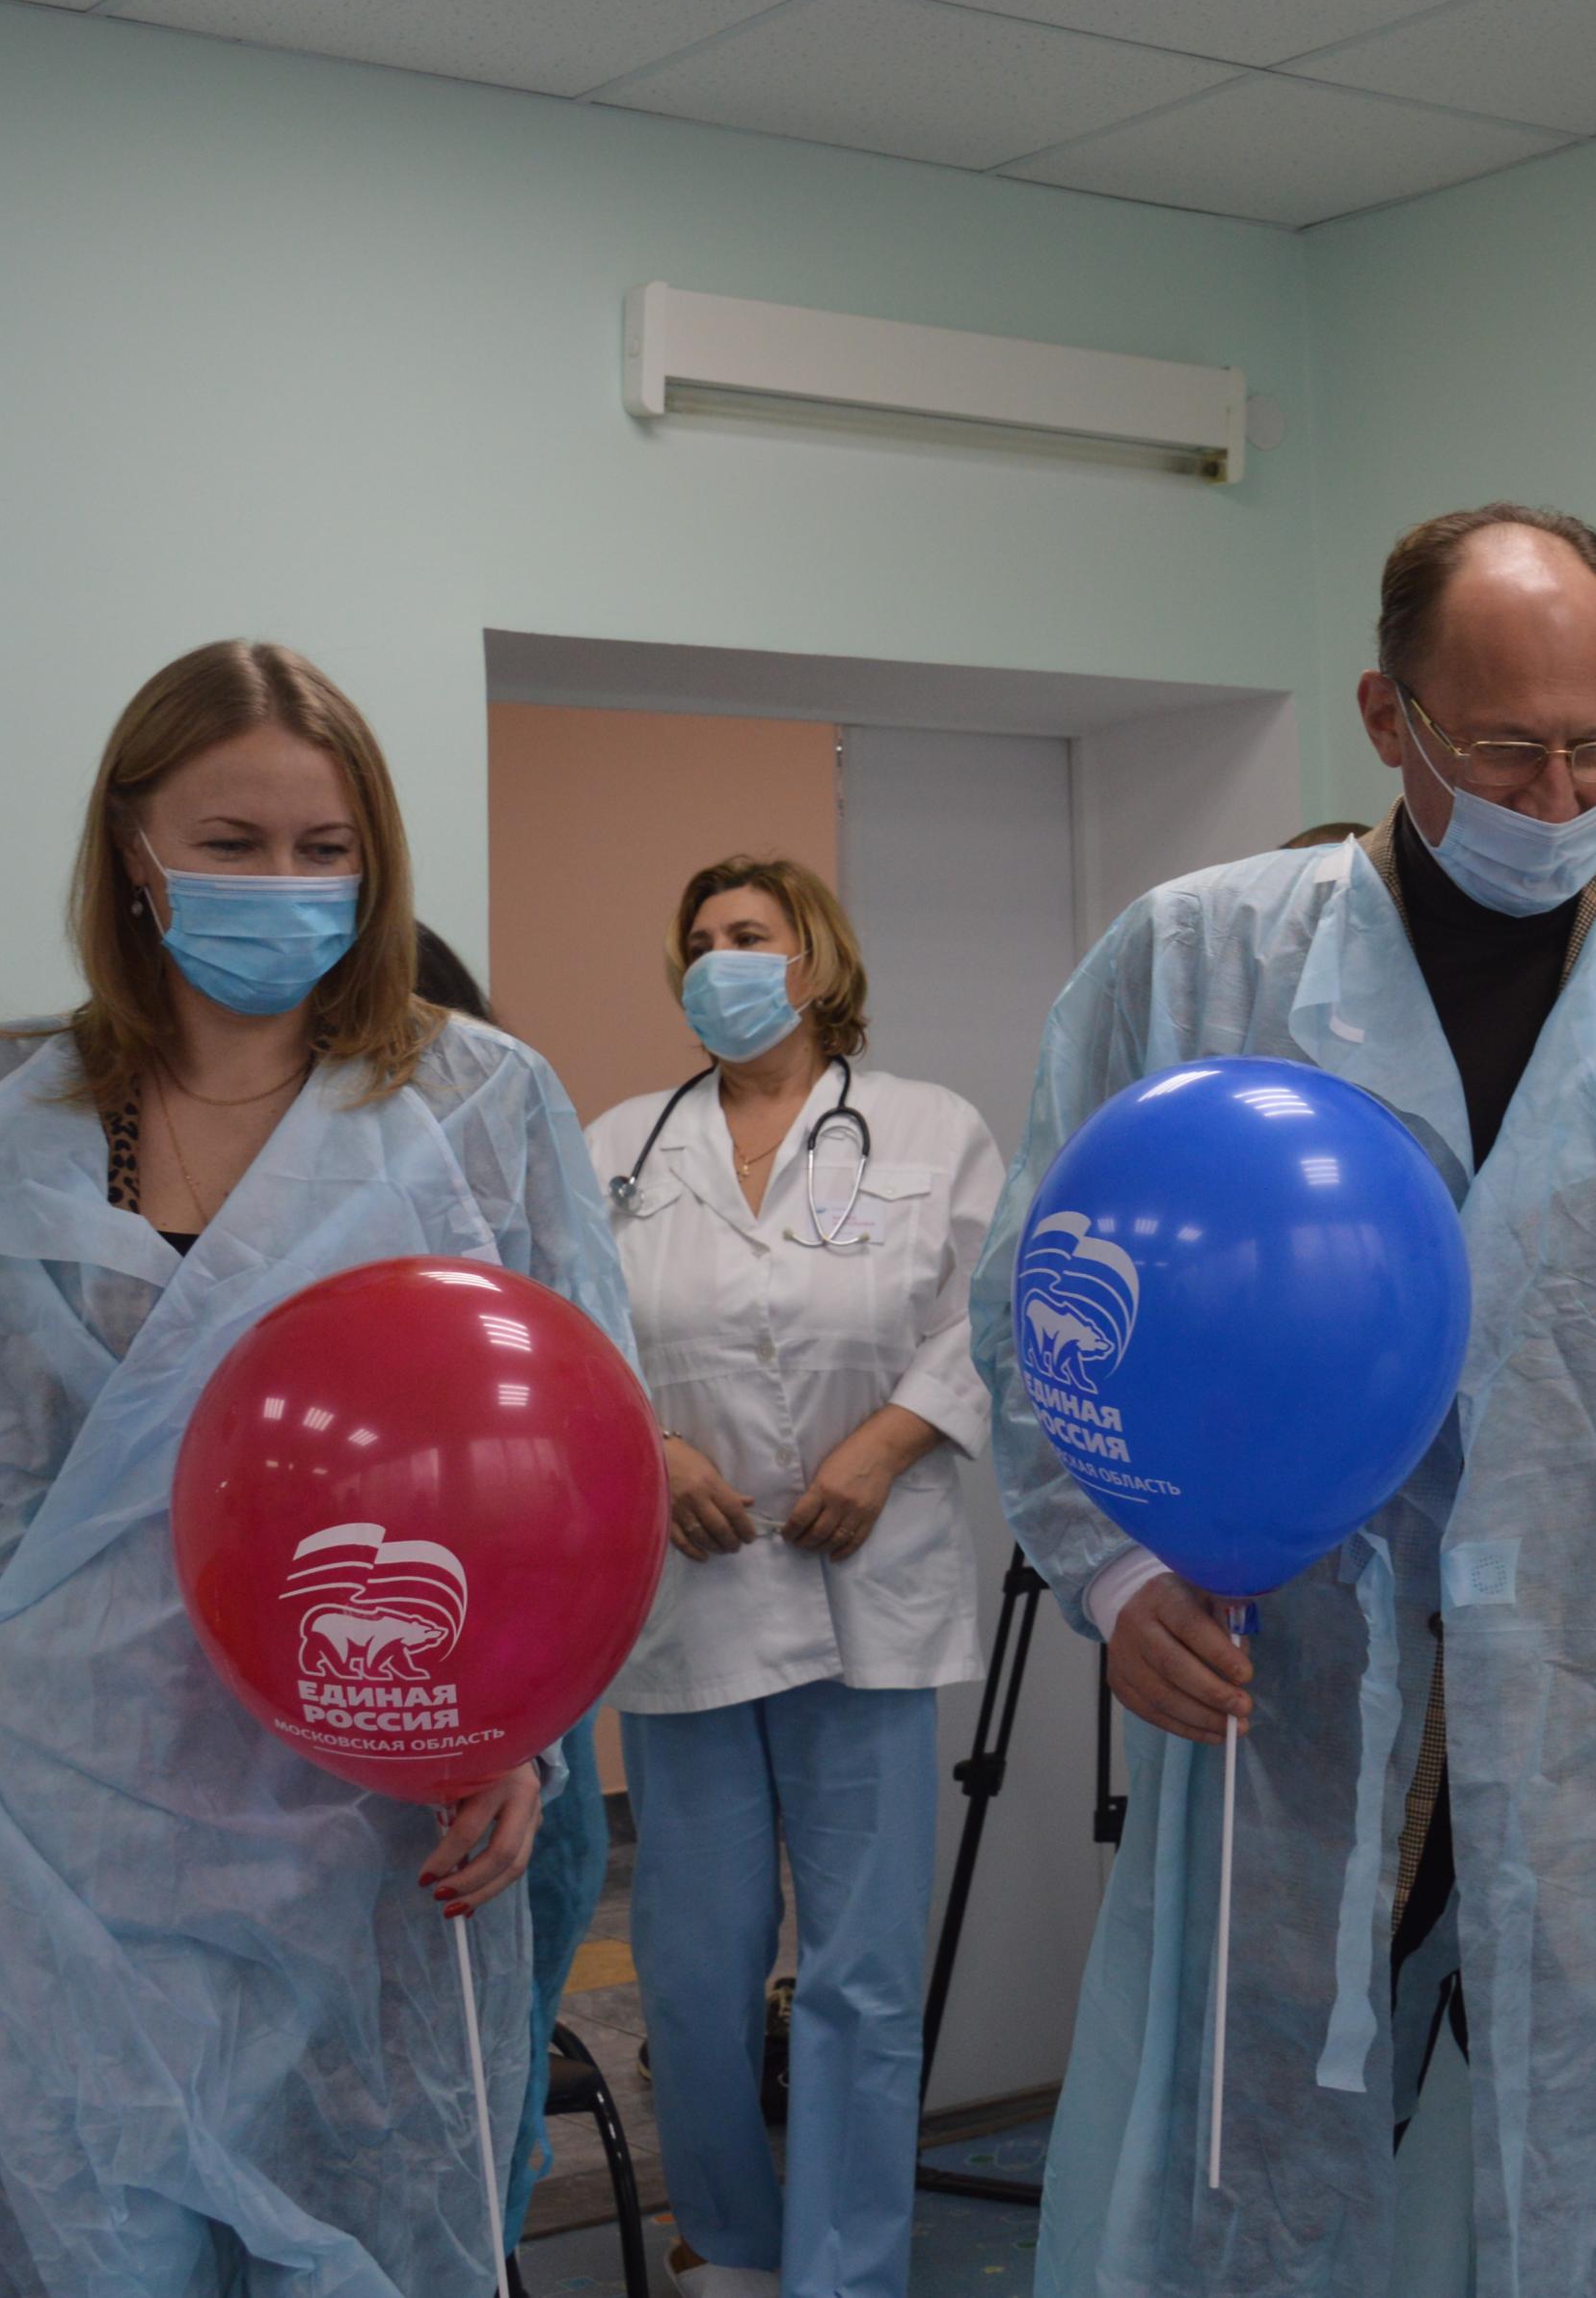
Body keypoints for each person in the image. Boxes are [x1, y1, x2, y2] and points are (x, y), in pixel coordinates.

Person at [978, 504, 1596, 2298]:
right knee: (1242, 2191)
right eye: (1505, 747)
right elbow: (1041, 1302)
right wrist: (1111, 1576)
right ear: (1389, 714)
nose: (1557, 793)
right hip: (1285, 1716)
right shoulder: (1195, 963)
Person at [0, 640, 638, 2297]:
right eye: (232, 844)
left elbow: (576, 1466)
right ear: (132, 850)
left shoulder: (475, 1105)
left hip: (360, 1838)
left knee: (361, 2256)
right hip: (41, 1843)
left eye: (325, 848)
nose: (283, 884)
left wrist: (520, 1732)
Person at [586, 855, 1002, 2298]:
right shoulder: (621, 1147)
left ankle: (848, 2265)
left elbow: (990, 1317)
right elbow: (570, 1335)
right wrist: (653, 1452)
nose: (719, 962)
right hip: (691, 1593)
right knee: (695, 1969)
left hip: (864, 1590)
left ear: (812, 961)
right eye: (699, 941)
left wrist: (886, 1447)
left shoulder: (930, 1129)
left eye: (748, 935)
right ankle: (732, 2246)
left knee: (860, 1974)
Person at [410, 918, 617, 2227]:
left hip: (519, 1676)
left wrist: (515, 1731)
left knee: (486, 2093)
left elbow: (578, 1433)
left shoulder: (509, 1143)